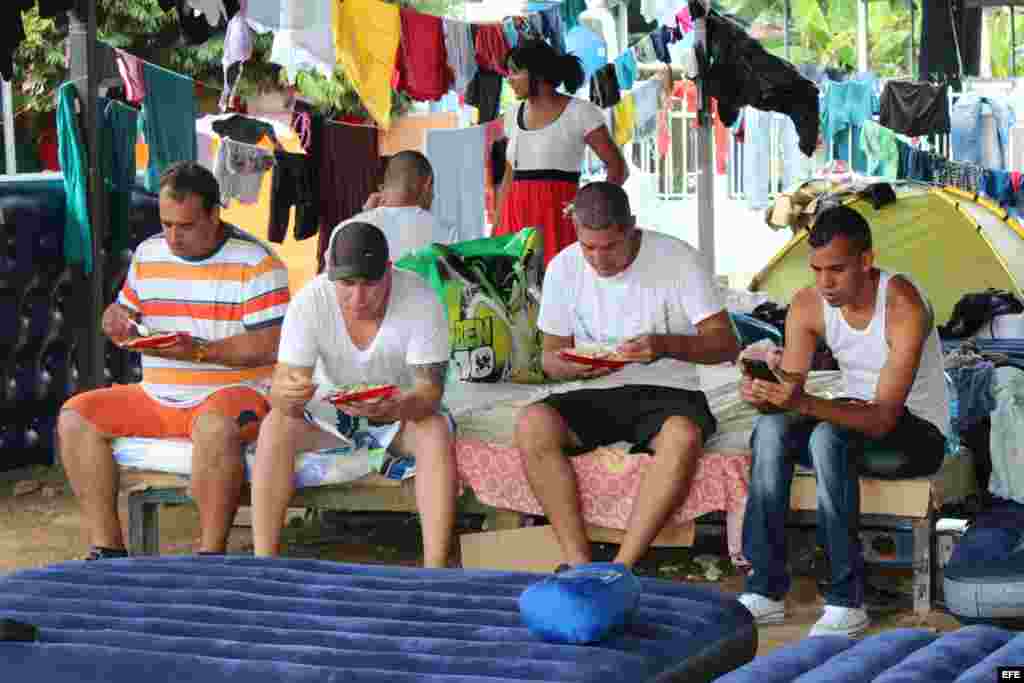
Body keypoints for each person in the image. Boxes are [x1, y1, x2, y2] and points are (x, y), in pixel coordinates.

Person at [57, 161, 290, 559]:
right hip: (159, 395)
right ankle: (108, 548)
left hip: (235, 394)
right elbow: (126, 311)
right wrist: (116, 319)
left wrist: (199, 350)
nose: (172, 236)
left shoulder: (257, 263)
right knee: (74, 417)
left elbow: (270, 345)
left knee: (214, 428)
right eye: (166, 224)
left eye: (184, 226)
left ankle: (210, 554)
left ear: (214, 215)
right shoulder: (149, 253)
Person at [738, 205, 950, 637]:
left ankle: (846, 599)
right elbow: (792, 391)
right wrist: (765, 395)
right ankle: (765, 589)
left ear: (866, 262)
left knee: (828, 437)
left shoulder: (903, 305)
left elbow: (882, 418)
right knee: (771, 430)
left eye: (836, 270)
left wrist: (803, 401)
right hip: (852, 420)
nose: (824, 283)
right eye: (815, 270)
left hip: (917, 434)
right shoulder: (807, 304)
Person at [513, 182, 740, 569]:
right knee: (532, 424)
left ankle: (623, 566)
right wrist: (569, 365)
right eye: (589, 248)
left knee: (683, 435)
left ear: (632, 227)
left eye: (611, 246)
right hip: (592, 390)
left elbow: (727, 344)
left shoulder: (678, 259)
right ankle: (579, 563)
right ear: (576, 235)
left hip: (669, 389)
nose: (599, 260)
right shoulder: (563, 267)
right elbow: (550, 358)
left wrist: (665, 345)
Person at [251, 221, 456, 567]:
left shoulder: (420, 297)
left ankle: (434, 570)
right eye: (346, 284)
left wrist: (397, 406)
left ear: (389, 271)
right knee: (275, 425)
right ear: (330, 273)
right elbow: (286, 387)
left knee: (434, 431)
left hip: (400, 413)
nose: (358, 298)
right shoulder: (310, 301)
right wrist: (287, 394)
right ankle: (263, 563)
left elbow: (430, 393)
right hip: (331, 416)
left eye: (370, 284)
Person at [494, 39, 627, 266]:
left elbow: (618, 168)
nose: (508, 79)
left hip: (559, 220)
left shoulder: (581, 112)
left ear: (536, 73)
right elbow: (509, 174)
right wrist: (497, 226)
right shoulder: (511, 115)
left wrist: (591, 209)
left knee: (561, 289)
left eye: (515, 72)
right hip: (514, 222)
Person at [353, 150, 450, 258]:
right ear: (428, 184)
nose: (433, 197)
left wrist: (365, 216)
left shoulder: (347, 231)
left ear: (384, 188)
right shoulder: (447, 232)